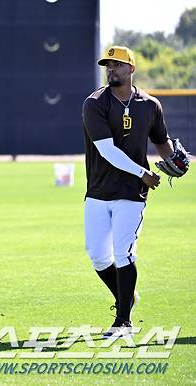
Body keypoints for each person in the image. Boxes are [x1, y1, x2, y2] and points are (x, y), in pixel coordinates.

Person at [82, 46, 177, 337]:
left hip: (131, 193)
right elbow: (107, 150)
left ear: (131, 69)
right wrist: (144, 172)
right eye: (108, 65)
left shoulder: (150, 105)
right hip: (98, 190)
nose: (111, 69)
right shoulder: (95, 103)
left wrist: (172, 159)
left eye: (117, 65)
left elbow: (161, 141)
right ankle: (127, 296)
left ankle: (123, 321)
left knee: (124, 252)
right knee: (98, 256)